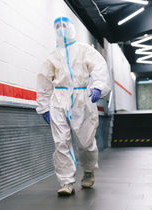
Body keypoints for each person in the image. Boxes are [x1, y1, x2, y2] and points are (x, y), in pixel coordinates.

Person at [36, 16, 111, 196]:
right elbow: (43, 81)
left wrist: (98, 88)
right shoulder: (52, 56)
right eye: (58, 26)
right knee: (61, 142)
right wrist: (44, 107)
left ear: (71, 27)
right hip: (59, 100)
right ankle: (66, 182)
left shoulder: (85, 50)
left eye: (64, 25)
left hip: (82, 98)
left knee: (85, 143)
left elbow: (100, 68)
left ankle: (88, 170)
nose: (61, 28)